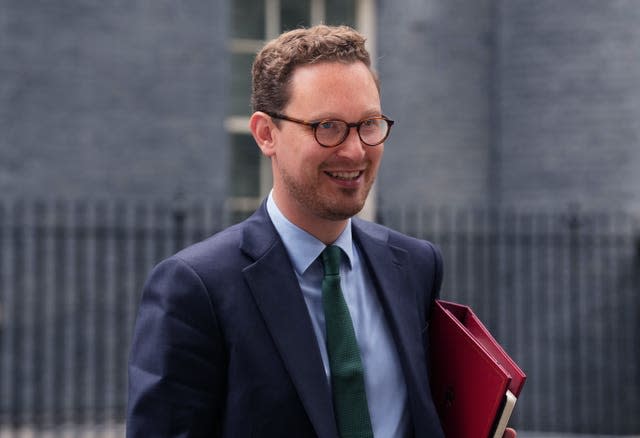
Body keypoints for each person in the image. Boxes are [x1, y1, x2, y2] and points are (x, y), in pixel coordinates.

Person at [127, 24, 516, 438]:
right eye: (327, 127)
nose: (355, 150)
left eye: (369, 123)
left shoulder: (415, 266)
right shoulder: (195, 288)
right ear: (265, 134)